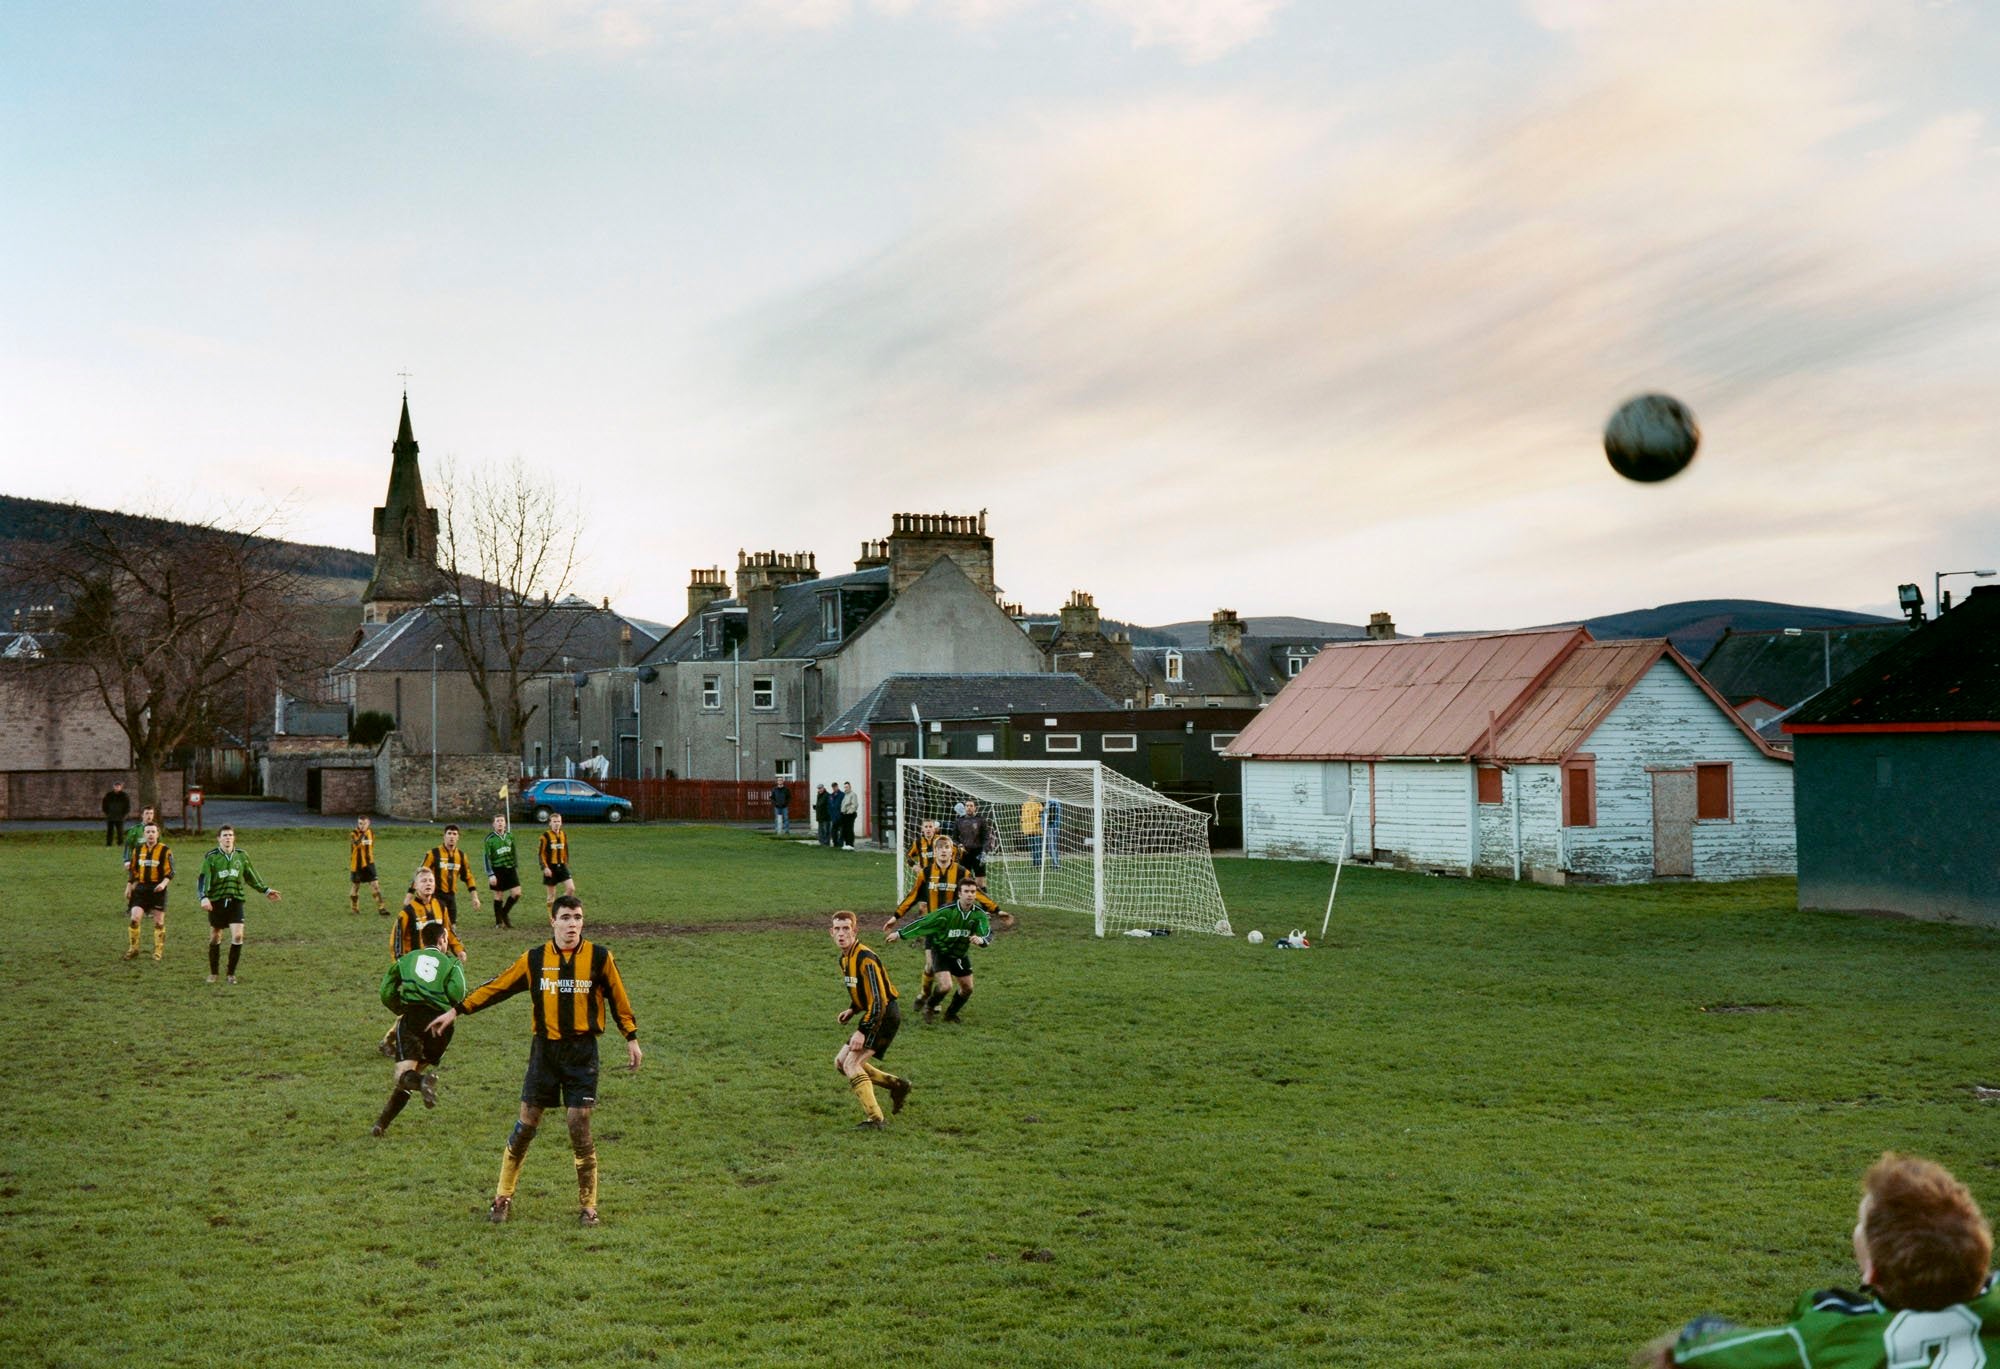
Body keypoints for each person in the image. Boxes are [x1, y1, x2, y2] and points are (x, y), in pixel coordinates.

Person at [1645, 1152, 2000, 1367]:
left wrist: (1694, 1336)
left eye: (1860, 1223)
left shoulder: (1835, 1333)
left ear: (1872, 1272)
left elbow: (1700, 1350)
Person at [427, 895, 641, 1227]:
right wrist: (458, 1010)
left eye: (578, 918)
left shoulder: (600, 958)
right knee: (526, 1124)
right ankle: (502, 1197)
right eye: (566, 917)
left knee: (579, 1124)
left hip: (582, 1053)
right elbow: (498, 986)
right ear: (552, 921)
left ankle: (589, 1206)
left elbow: (618, 996)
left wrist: (631, 1037)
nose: (572, 924)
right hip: (544, 1052)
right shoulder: (535, 959)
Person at [373, 920, 467, 1136]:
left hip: (413, 1020)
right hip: (441, 1026)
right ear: (443, 940)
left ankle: (423, 1083)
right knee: (410, 1077)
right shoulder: (452, 964)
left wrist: (399, 1007)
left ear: (422, 941)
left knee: (404, 1076)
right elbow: (459, 993)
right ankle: (381, 1124)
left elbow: (385, 991)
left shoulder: (406, 959)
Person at [828, 910, 911, 1128]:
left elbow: (879, 999)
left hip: (883, 1016)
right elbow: (864, 992)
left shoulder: (866, 958)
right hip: (872, 1014)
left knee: (852, 1064)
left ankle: (876, 1119)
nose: (841, 934)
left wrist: (862, 1031)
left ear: (855, 931)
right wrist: (853, 1009)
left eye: (846, 928)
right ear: (831, 933)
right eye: (837, 929)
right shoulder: (845, 959)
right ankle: (897, 1085)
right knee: (840, 1063)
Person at [888, 878, 997, 1023]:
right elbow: (923, 923)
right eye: (966, 891)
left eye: (973, 892)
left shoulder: (979, 914)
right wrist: (900, 934)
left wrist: (981, 940)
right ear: (959, 894)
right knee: (946, 986)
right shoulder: (946, 912)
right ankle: (930, 1006)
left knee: (968, 988)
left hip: (960, 955)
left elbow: (987, 932)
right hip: (941, 951)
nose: (970, 895)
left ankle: (950, 1014)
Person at [195, 825, 281, 985]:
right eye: (224, 835)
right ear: (218, 839)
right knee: (215, 936)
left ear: (234, 838)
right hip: (217, 901)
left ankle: (231, 974)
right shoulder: (211, 857)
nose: (228, 838)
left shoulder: (242, 856)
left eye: (230, 835)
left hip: (236, 899)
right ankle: (214, 973)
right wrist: (203, 897)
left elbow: (251, 875)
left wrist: (266, 890)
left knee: (238, 936)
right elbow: (203, 878)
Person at [123, 820, 172, 962]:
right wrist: (129, 885)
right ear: (144, 834)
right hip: (141, 889)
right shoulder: (137, 850)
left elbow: (171, 871)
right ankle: (134, 949)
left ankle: (158, 951)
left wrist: (163, 884)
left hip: (158, 890)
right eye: (148, 832)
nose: (150, 834)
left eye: (153, 832)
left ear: (158, 834)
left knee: (158, 923)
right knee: (134, 919)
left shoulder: (165, 850)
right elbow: (133, 870)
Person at [421, 824, 481, 924]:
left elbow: (468, 877)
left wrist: (475, 897)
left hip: (451, 897)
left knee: (452, 927)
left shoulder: (461, 856)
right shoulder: (433, 853)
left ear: (458, 837)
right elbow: (421, 875)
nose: (452, 836)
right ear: (444, 836)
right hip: (435, 895)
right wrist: (411, 895)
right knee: (437, 926)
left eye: (454, 834)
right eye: (449, 833)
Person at [483, 813, 522, 929]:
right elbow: (486, 857)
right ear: (493, 824)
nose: (500, 823)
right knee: (499, 895)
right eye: (497, 821)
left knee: (517, 893)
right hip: (497, 869)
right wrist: (491, 874)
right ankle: (498, 921)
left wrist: (515, 865)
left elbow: (514, 851)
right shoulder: (490, 839)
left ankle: (504, 912)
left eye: (502, 821)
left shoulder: (510, 836)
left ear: (505, 824)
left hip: (510, 868)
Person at [349, 814, 387, 915]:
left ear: (368, 823)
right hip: (356, 865)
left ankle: (381, 908)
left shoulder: (371, 833)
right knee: (356, 887)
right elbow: (356, 843)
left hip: (369, 864)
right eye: (360, 824)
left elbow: (371, 846)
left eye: (364, 824)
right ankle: (354, 908)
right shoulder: (353, 833)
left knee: (375, 885)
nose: (362, 826)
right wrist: (363, 833)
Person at [954, 798, 995, 891]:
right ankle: (967, 902)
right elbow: (954, 838)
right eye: (967, 806)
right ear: (965, 807)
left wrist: (984, 851)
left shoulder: (981, 820)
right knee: (965, 880)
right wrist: (959, 845)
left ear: (975, 808)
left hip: (978, 852)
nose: (969, 808)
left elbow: (986, 838)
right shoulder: (959, 821)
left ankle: (984, 903)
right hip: (964, 853)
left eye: (971, 806)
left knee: (980, 881)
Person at [539, 813, 576, 913]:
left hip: (562, 866)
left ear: (561, 823)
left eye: (558, 821)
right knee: (551, 895)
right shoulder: (545, 836)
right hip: (550, 867)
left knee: (571, 888)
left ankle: (558, 905)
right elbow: (541, 854)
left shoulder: (563, 834)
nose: (557, 824)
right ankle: (552, 916)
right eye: (554, 822)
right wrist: (545, 867)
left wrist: (566, 863)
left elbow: (565, 850)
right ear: (550, 823)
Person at [102, 780, 131, 848]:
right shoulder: (108, 795)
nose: (117, 787)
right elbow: (104, 805)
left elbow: (127, 806)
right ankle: (109, 844)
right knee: (110, 831)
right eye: (116, 786)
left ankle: (120, 844)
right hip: (110, 816)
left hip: (120, 816)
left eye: (118, 786)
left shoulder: (124, 796)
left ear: (121, 787)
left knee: (120, 831)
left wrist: (124, 814)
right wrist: (107, 813)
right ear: (113, 787)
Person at [1020, 797, 1043, 868]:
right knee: (1033, 847)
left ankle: (1038, 863)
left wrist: (1036, 822)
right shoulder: (1025, 804)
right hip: (1028, 829)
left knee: (1037, 846)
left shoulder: (1039, 804)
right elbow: (1022, 817)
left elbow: (1040, 815)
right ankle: (1035, 863)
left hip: (1036, 829)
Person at [838, 782, 859, 849]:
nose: (845, 788)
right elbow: (843, 805)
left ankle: (850, 844)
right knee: (845, 830)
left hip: (850, 815)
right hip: (844, 815)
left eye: (847, 787)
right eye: (845, 787)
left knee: (849, 830)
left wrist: (849, 812)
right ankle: (846, 844)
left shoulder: (853, 794)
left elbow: (854, 805)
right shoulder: (845, 795)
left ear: (850, 787)